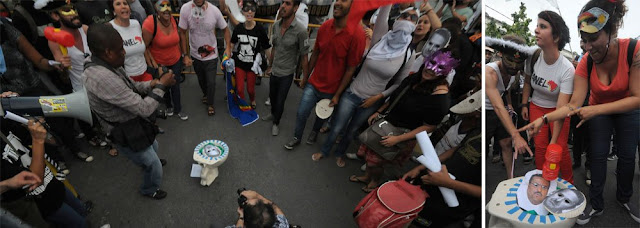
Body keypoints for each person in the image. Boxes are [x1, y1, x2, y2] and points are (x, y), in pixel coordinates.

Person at [520, 0, 639, 224]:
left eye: (593, 39)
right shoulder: (585, 62)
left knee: (626, 156)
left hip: (626, 109)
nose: (587, 46)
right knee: (597, 155)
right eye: (583, 40)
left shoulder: (633, 50)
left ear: (612, 31)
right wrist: (544, 119)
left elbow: (637, 98)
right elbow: (573, 105)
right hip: (597, 110)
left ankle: (624, 197)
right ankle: (596, 203)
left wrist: (594, 109)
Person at [84, 23, 176, 200]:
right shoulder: (102, 77)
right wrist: (163, 86)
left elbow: (131, 87)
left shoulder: (105, 62)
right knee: (154, 164)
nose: (124, 52)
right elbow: (144, 108)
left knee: (154, 146)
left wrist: (152, 83)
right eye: (120, 50)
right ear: (108, 52)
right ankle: (149, 188)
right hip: (123, 130)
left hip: (131, 123)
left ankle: (148, 163)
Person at [317, 4, 415, 168]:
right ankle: (325, 151)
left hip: (372, 100)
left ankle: (340, 153)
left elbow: (399, 83)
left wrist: (379, 97)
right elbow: (384, 10)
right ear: (397, 19)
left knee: (351, 131)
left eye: (413, 19)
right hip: (352, 93)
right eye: (405, 16)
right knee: (336, 127)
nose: (408, 21)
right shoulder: (380, 37)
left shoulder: (408, 54)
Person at [349, 50, 455, 192]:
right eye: (432, 63)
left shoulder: (440, 98)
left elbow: (429, 127)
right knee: (369, 157)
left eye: (440, 68)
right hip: (384, 126)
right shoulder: (413, 79)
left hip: (402, 135)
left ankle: (374, 181)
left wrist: (398, 139)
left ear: (445, 73)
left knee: (375, 163)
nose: (431, 69)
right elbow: (395, 97)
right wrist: (379, 111)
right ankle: (367, 177)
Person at [284, 0, 365, 153]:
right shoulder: (325, 26)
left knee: (321, 117)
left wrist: (337, 95)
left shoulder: (358, 35)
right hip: (313, 84)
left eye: (344, 0)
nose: (338, 3)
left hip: (332, 90)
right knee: (302, 112)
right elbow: (315, 54)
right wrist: (305, 76)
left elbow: (350, 69)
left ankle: (315, 131)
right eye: (337, 0)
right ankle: (297, 136)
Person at [1, 115, 89, 227]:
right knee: (78, 224)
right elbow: (35, 178)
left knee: (81, 210)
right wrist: (38, 140)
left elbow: (53, 141)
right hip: (40, 202)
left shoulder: (3, 122)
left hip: (52, 182)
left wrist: (26, 119)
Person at [402, 104, 481, 227]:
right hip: (433, 185)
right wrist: (420, 167)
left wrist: (449, 183)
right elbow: (456, 149)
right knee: (410, 215)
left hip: (453, 202)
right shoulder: (479, 129)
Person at [521, 11, 574, 184]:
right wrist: (524, 105)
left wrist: (554, 141)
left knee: (559, 148)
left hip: (557, 110)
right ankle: (542, 183)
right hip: (536, 106)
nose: (536, 30)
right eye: (537, 25)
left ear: (556, 37)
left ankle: (568, 184)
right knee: (540, 149)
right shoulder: (533, 56)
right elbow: (527, 83)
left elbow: (561, 110)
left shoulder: (567, 69)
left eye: (542, 26)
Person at [485, 35, 534, 179]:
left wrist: (510, 103)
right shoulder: (490, 73)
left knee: (506, 144)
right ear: (501, 55)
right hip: (485, 112)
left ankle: (510, 178)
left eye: (518, 63)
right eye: (510, 61)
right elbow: (497, 106)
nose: (514, 66)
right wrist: (516, 135)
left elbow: (505, 90)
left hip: (500, 109)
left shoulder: (515, 72)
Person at [260, 0, 309, 136]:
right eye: (282, 3)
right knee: (273, 97)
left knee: (280, 101)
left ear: (296, 8)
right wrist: (269, 66)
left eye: (287, 3)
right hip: (275, 70)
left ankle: (276, 122)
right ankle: (272, 114)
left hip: (287, 74)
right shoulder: (276, 26)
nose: (282, 6)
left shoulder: (301, 31)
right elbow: (274, 47)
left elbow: (304, 56)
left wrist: (305, 77)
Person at [179, 0, 232, 116]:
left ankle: (210, 104)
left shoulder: (214, 11)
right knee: (201, 80)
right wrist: (185, 55)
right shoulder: (185, 9)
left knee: (211, 82)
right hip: (195, 54)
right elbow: (182, 32)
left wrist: (228, 47)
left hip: (211, 55)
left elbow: (226, 30)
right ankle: (206, 95)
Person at [143, 0, 189, 120]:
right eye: (162, 6)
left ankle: (178, 109)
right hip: (160, 62)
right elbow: (145, 46)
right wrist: (153, 64)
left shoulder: (173, 19)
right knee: (164, 86)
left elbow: (179, 38)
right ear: (156, 8)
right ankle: (168, 106)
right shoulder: (150, 23)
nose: (166, 9)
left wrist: (184, 55)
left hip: (175, 59)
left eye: (168, 5)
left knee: (175, 85)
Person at [225, 0, 270, 109]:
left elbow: (267, 48)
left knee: (250, 89)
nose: (249, 12)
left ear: (255, 12)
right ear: (242, 12)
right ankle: (243, 104)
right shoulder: (239, 28)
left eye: (252, 10)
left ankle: (252, 99)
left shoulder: (260, 29)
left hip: (252, 65)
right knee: (239, 88)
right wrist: (227, 55)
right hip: (239, 63)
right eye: (246, 10)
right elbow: (232, 43)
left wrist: (270, 64)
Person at [108, 0, 152, 82]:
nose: (123, 6)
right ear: (113, 11)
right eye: (118, 4)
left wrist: (152, 66)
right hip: (127, 79)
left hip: (145, 73)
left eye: (125, 3)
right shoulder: (110, 28)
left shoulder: (136, 24)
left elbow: (143, 47)